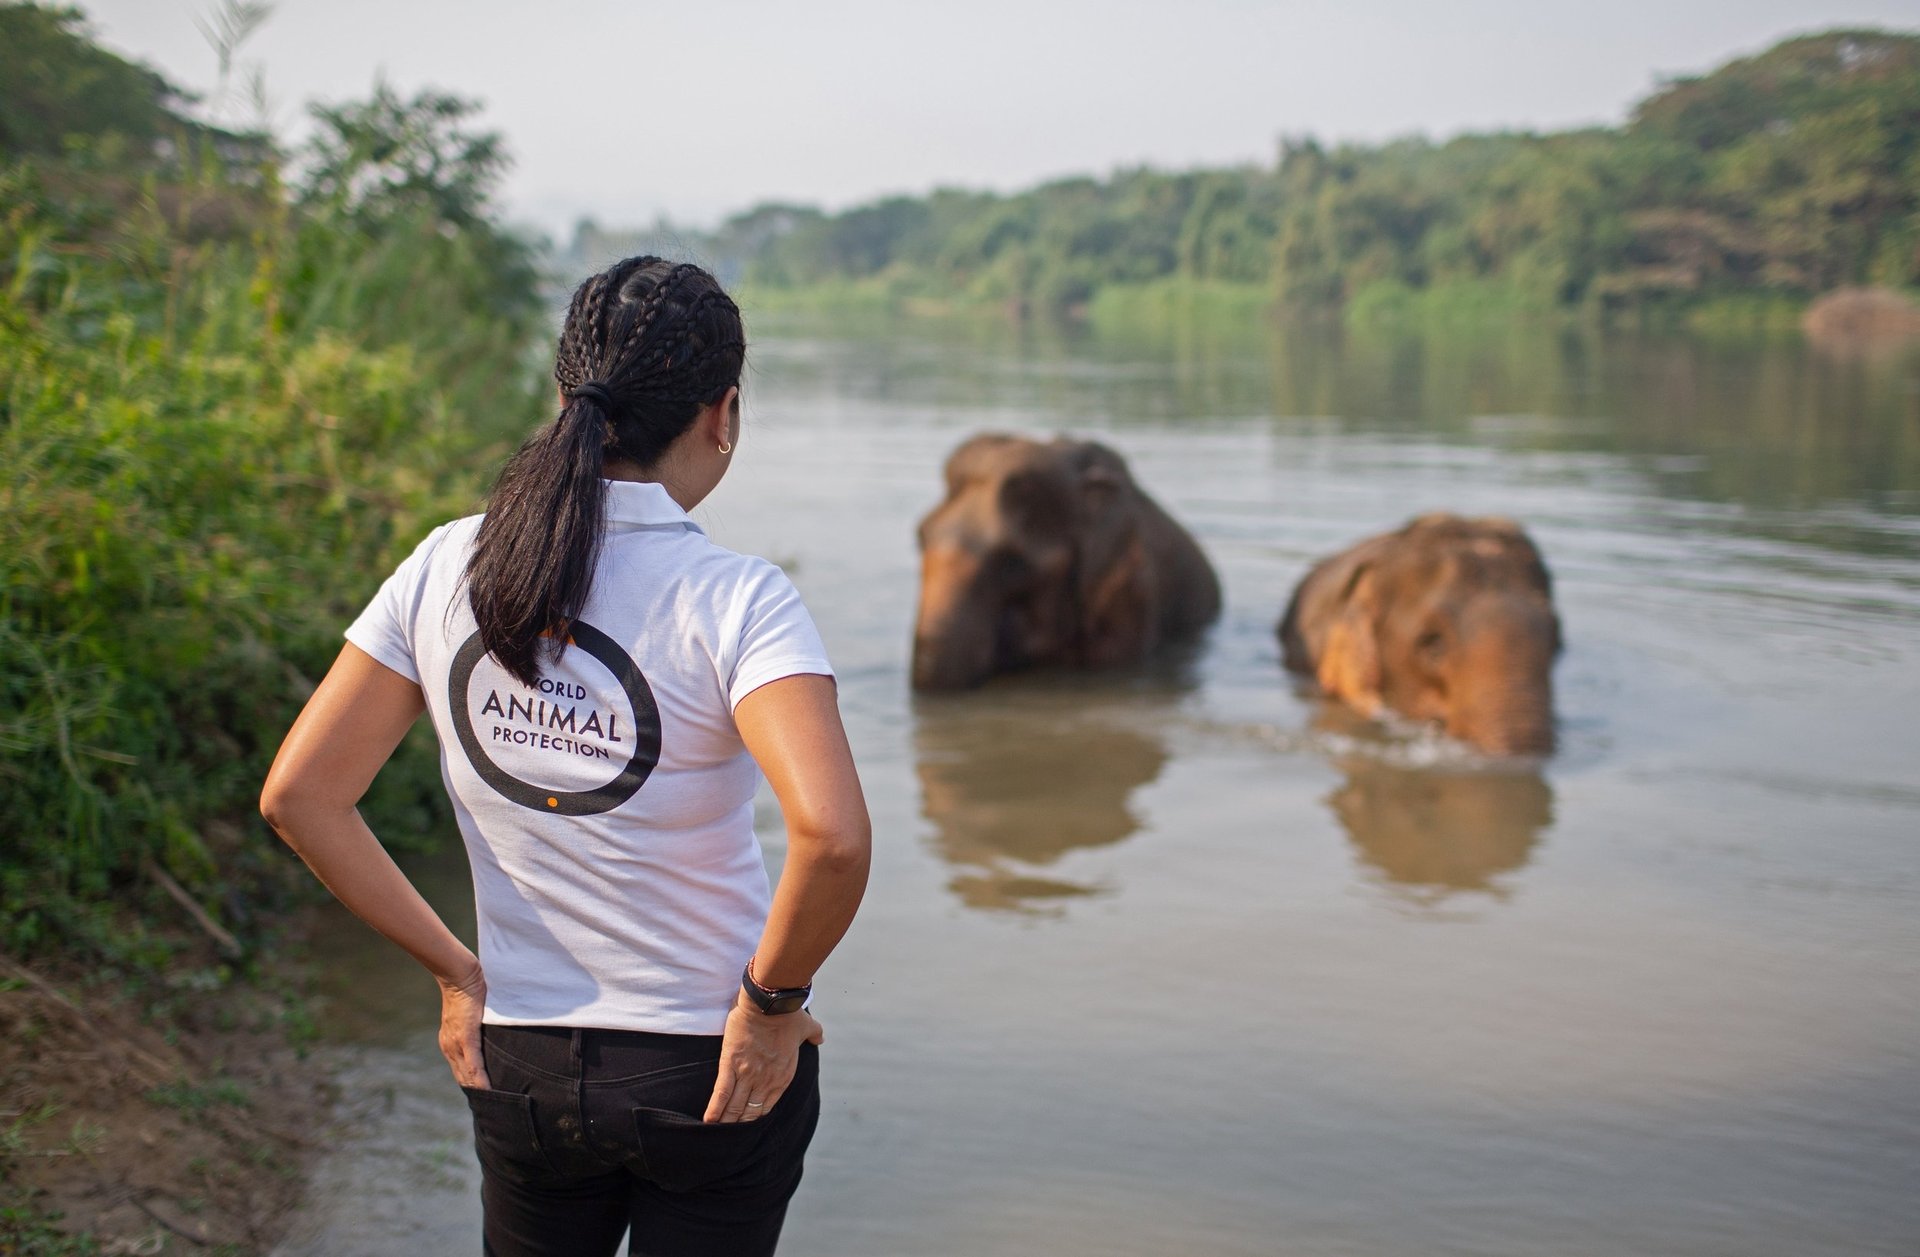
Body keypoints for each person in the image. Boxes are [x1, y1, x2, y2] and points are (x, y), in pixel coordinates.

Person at [260, 256, 871, 1257]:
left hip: (523, 1065)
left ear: (564, 393)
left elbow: (302, 797)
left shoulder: (444, 564)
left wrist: (458, 976)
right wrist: (772, 1006)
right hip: (709, 1070)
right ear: (722, 414)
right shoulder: (736, 599)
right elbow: (834, 839)